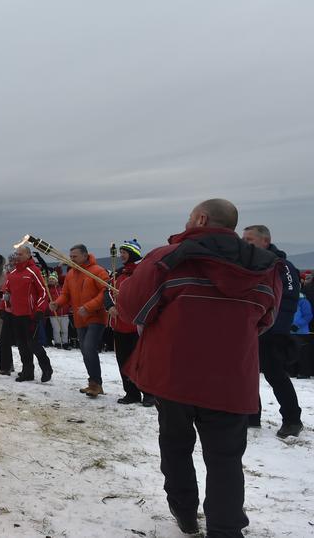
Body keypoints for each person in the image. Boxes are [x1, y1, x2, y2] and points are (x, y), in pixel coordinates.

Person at [117, 199, 282, 537]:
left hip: (173, 375)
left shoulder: (168, 259)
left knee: (175, 446)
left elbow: (131, 308)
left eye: (190, 216)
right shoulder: (266, 267)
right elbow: (265, 319)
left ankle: (184, 512)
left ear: (202, 219)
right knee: (226, 458)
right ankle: (226, 528)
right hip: (232, 378)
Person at [241, 225, 302, 437]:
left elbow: (289, 299)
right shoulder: (247, 263)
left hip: (272, 329)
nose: (244, 243)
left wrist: (279, 328)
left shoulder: (281, 265)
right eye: (243, 239)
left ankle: (292, 419)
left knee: (275, 374)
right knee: (247, 373)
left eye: (249, 239)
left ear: (265, 241)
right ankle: (251, 415)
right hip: (250, 328)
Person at [49, 244, 109, 397]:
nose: (71, 259)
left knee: (89, 348)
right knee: (85, 351)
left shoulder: (98, 271)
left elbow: (105, 292)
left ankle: (95, 383)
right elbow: (66, 294)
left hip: (96, 317)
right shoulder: (71, 274)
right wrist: (57, 303)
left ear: (85, 255)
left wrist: (89, 307)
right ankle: (94, 383)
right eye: (70, 257)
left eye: (74, 256)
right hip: (79, 318)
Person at [105, 239, 153, 406]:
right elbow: (106, 291)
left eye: (124, 252)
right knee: (123, 361)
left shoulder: (142, 273)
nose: (121, 255)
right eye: (120, 252)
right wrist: (110, 306)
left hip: (137, 327)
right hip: (119, 326)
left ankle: (149, 393)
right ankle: (131, 393)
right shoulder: (118, 273)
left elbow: (147, 295)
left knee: (141, 361)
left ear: (132, 253)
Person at [3, 246, 53, 382]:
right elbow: (6, 292)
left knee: (33, 343)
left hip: (31, 314)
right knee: (22, 345)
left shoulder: (33, 271)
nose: (17, 256)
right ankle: (27, 371)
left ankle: (46, 368)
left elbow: (43, 291)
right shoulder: (12, 273)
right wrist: (5, 307)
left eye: (20, 254)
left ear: (28, 255)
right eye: (16, 254)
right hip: (16, 314)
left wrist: (40, 309)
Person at [0, 253, 17, 376]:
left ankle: (29, 369)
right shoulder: (7, 274)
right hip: (8, 311)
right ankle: (5, 366)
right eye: (10, 260)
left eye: (13, 260)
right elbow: (5, 291)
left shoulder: (23, 273)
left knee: (26, 342)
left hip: (21, 312)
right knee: (4, 340)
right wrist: (2, 307)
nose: (11, 263)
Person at [46, 272, 69, 347]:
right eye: (50, 279)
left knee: (65, 329)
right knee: (56, 329)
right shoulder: (48, 290)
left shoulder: (62, 288)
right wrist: (49, 307)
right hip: (54, 314)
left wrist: (68, 306)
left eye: (53, 279)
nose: (51, 280)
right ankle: (57, 343)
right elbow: (46, 301)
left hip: (64, 313)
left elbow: (67, 298)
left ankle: (65, 343)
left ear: (56, 280)